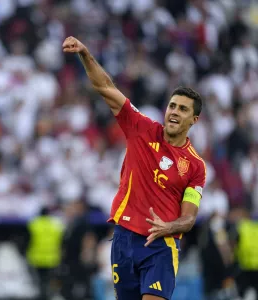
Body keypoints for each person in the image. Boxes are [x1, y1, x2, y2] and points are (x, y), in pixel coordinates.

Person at [62, 36, 207, 300]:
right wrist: (85, 54)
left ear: (194, 119)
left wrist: (170, 227)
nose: (174, 112)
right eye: (172, 105)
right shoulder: (141, 128)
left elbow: (189, 218)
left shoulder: (195, 166)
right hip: (124, 239)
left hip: (160, 245)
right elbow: (105, 86)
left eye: (183, 109)